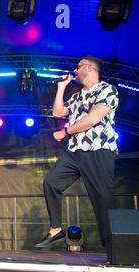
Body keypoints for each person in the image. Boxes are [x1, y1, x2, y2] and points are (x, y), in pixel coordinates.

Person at [35, 56, 119, 248]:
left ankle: (113, 249)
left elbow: (91, 119)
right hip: (74, 151)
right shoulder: (78, 95)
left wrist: (64, 132)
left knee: (103, 201)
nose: (75, 70)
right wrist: (62, 87)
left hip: (98, 149)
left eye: (78, 67)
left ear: (88, 68)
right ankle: (56, 229)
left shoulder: (107, 90)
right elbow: (58, 113)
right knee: (51, 182)